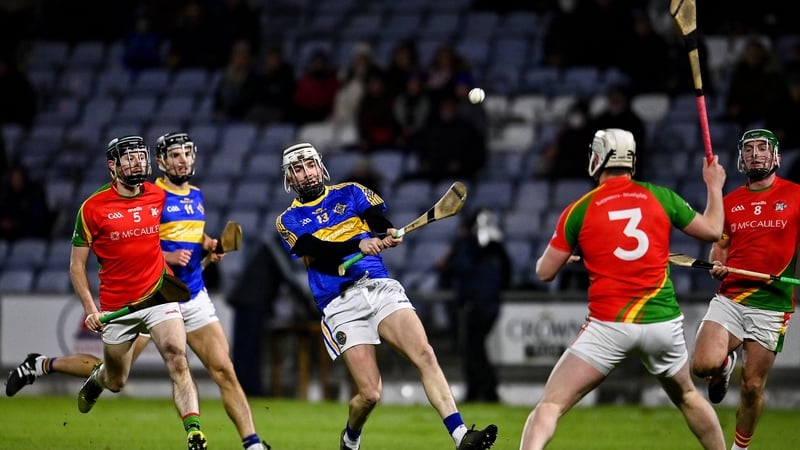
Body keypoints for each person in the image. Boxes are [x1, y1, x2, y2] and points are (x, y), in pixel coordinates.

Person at [4, 133, 271, 450]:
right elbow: (132, 240)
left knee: (205, 364)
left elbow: (191, 232)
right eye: (175, 155)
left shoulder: (194, 196)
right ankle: (42, 364)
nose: (183, 159)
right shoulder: (151, 194)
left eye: (187, 153)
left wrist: (209, 245)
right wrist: (168, 256)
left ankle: (244, 442)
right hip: (134, 299)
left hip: (176, 292)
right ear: (161, 162)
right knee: (115, 377)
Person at [274, 142, 498, 450]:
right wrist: (358, 245)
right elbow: (317, 252)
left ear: (320, 166)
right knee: (370, 394)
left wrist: (386, 232)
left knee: (425, 354)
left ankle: (461, 436)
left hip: (379, 286)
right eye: (298, 169)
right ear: (289, 178)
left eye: (310, 165)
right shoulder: (289, 220)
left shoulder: (351, 191)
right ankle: (351, 437)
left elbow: (377, 220)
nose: (307, 174)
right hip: (339, 303)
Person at [519, 128, 727, 450]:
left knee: (550, 405)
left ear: (597, 158)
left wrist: (574, 253)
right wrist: (714, 186)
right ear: (632, 159)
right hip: (662, 324)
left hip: (609, 326)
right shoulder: (661, 196)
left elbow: (544, 272)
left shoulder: (579, 209)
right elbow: (714, 230)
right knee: (687, 396)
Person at [68, 135, 208, 449]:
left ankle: (194, 432)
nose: (137, 163)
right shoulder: (91, 209)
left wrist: (207, 242)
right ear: (112, 166)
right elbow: (77, 266)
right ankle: (97, 379)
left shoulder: (158, 195)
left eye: (140, 157)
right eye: (128, 158)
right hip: (118, 305)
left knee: (177, 356)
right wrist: (91, 308)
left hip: (158, 293)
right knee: (116, 381)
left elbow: (185, 224)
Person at [690, 129, 800, 450]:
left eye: (762, 148)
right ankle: (724, 366)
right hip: (731, 296)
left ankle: (740, 448)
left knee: (752, 386)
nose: (755, 154)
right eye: (749, 149)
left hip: (772, 303)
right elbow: (719, 248)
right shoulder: (730, 201)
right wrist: (717, 264)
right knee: (701, 365)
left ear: (775, 156)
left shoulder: (795, 194)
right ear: (742, 157)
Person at [437, 208, 511, 403]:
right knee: (475, 349)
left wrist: (453, 254)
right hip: (489, 303)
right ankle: (484, 390)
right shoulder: (497, 248)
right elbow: (506, 274)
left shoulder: (469, 247)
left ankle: (482, 391)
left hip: (477, 303)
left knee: (472, 349)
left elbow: (461, 267)